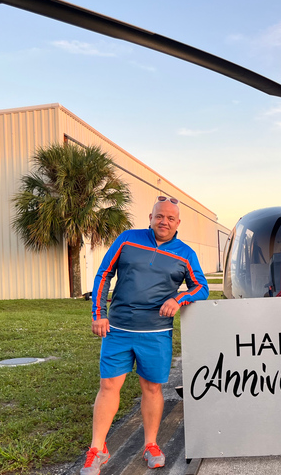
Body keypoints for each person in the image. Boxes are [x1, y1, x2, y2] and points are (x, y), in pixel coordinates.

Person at [81, 196, 209, 474]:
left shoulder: (185, 253)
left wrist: (179, 298)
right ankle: (97, 448)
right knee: (108, 386)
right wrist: (98, 314)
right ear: (150, 218)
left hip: (156, 332)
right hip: (118, 329)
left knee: (152, 388)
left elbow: (201, 287)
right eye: (159, 216)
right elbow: (104, 274)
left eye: (170, 218)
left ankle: (150, 444)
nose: (164, 222)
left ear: (178, 223)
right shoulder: (128, 240)